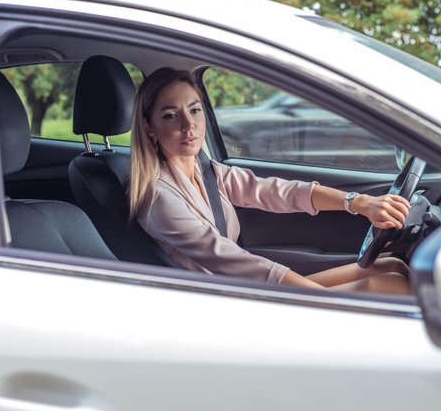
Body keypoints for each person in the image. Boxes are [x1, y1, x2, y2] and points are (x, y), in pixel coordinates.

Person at [128, 68, 412, 295]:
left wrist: (358, 203)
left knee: (392, 266)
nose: (188, 125)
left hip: (242, 287)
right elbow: (229, 259)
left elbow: (278, 192)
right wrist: (323, 300)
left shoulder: (209, 171)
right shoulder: (158, 199)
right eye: (170, 115)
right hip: (221, 303)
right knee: (388, 285)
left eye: (194, 110)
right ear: (149, 128)